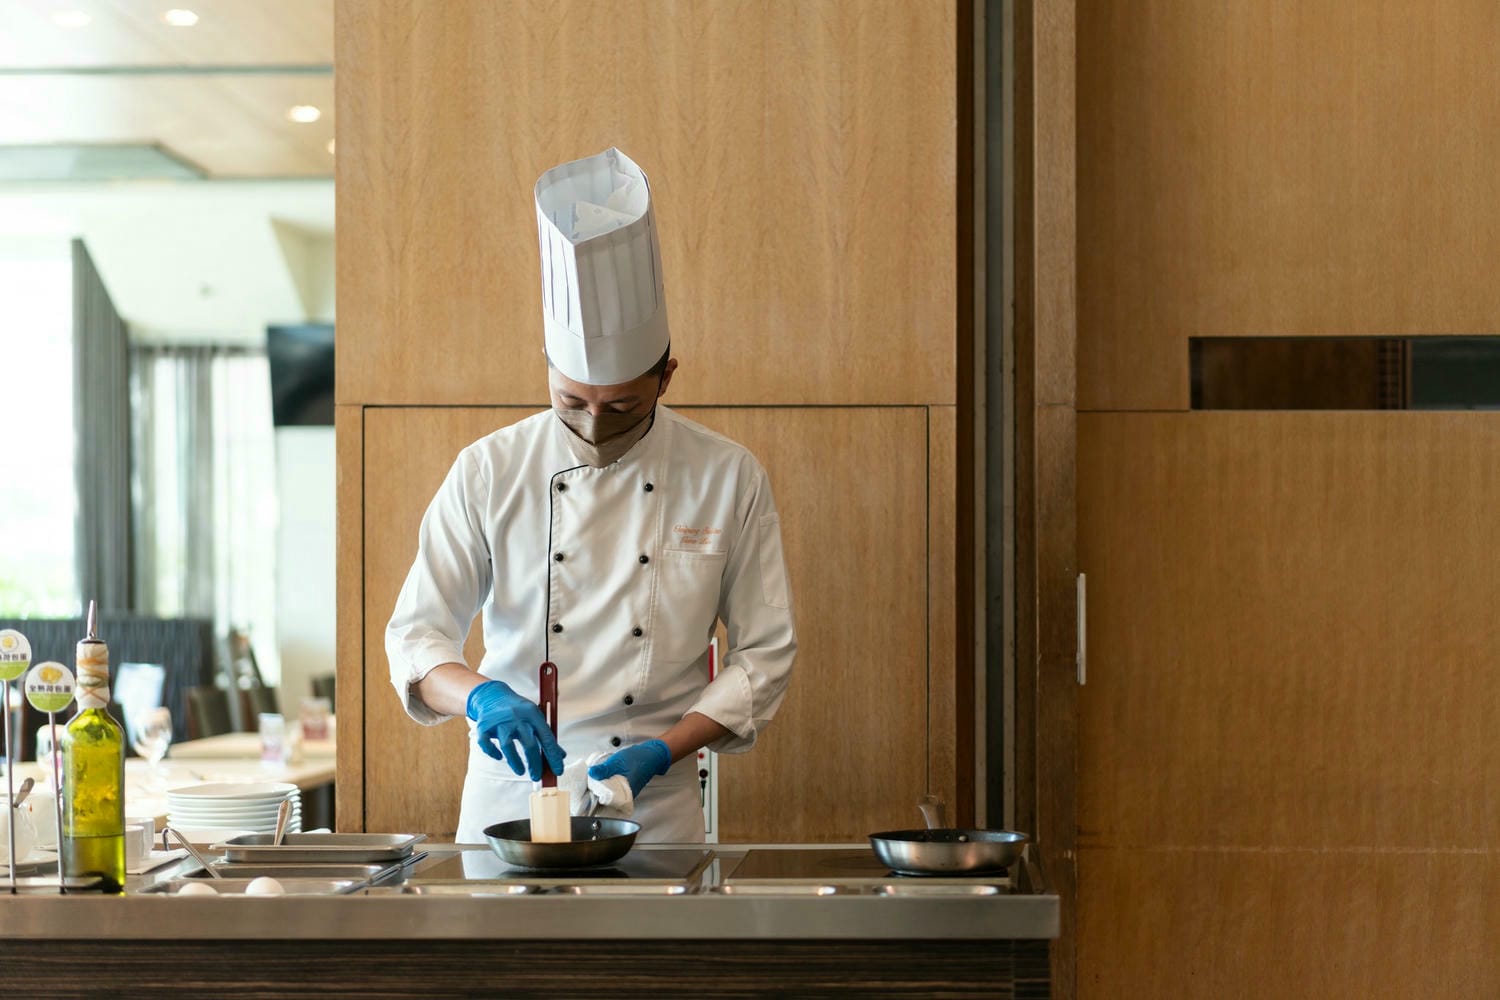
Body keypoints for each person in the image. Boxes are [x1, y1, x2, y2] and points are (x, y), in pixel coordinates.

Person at [385, 147, 797, 843]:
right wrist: (482, 697)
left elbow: (765, 656)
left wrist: (665, 748)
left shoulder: (727, 475)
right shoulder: (489, 469)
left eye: (622, 406)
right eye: (572, 401)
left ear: (666, 377)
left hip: (655, 809)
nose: (593, 423)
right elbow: (416, 639)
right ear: (547, 367)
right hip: (509, 805)